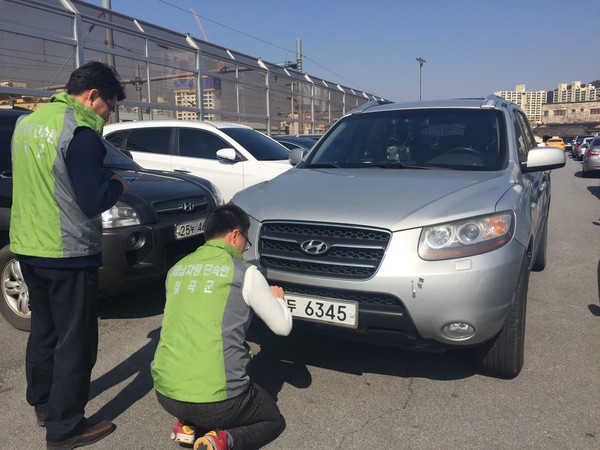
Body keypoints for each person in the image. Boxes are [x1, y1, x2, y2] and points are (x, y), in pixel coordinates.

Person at [10, 61, 129, 449]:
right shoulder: (80, 132)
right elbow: (94, 199)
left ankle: (43, 403)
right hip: (67, 251)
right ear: (92, 95)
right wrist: (118, 185)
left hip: (28, 246)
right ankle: (66, 427)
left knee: (44, 331)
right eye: (109, 107)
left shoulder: (27, 123)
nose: (108, 116)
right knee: (76, 341)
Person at [151, 204, 293, 450]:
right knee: (272, 419)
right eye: (245, 242)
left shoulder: (177, 269)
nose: (243, 249)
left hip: (166, 395)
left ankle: (187, 425)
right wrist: (278, 298)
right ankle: (224, 440)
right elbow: (282, 327)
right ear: (235, 234)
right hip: (219, 403)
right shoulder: (245, 273)